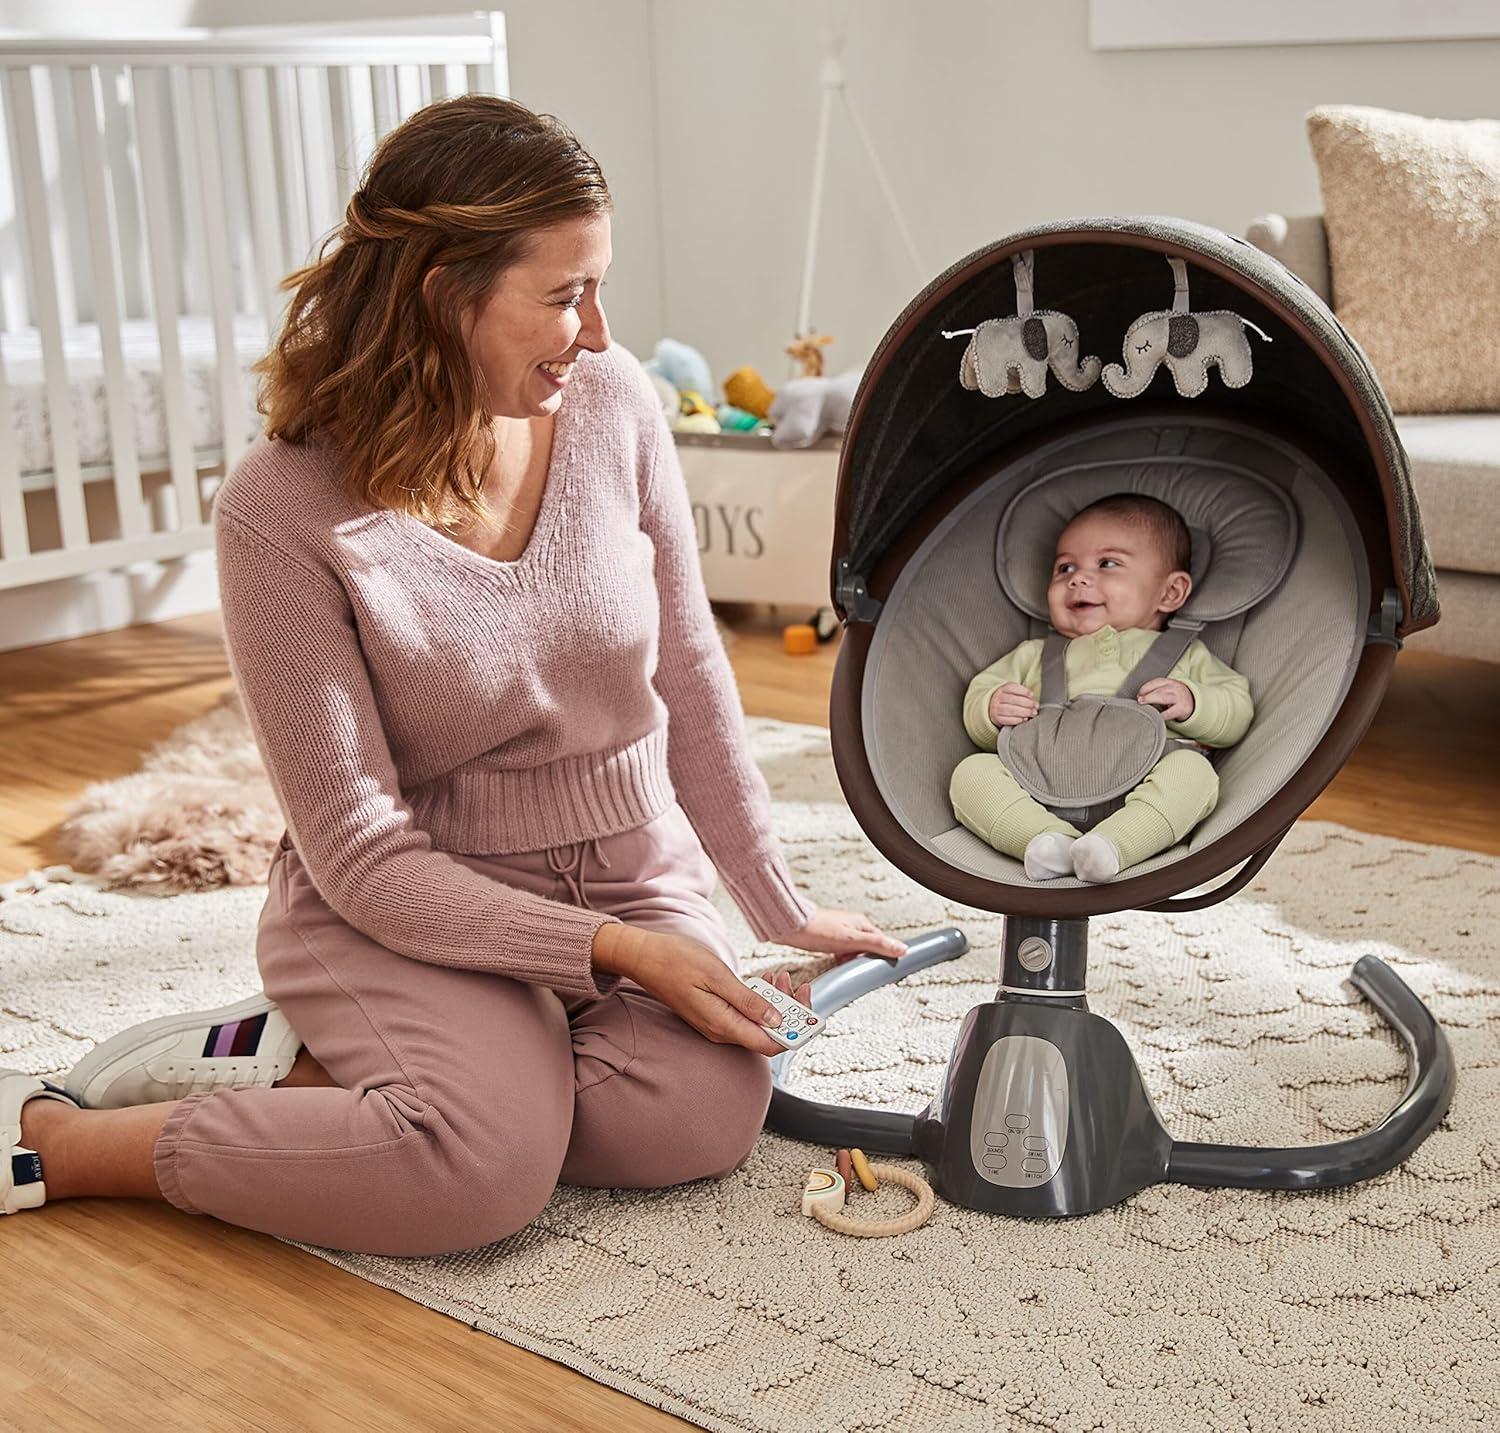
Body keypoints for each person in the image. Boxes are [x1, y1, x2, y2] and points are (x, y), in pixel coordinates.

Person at [1, 96, 906, 1249]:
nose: (596, 331)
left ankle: (355, 1077)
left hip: (628, 863)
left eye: (599, 288)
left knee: (693, 1116)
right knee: (482, 1175)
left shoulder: (615, 400)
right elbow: (364, 854)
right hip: (411, 899)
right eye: (566, 294)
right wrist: (614, 955)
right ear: (444, 294)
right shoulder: (281, 508)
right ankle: (67, 1140)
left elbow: (688, 663)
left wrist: (775, 899)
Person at [950, 493, 1252, 883]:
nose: (1077, 578)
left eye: (1107, 563)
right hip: (1036, 786)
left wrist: (1194, 703)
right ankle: (1046, 841)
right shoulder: (1033, 654)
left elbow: (1236, 710)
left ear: (1170, 593)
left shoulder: (1186, 655)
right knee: (971, 773)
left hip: (1142, 788)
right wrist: (991, 709)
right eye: (1064, 567)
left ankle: (1114, 845)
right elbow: (980, 693)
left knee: (1194, 774)